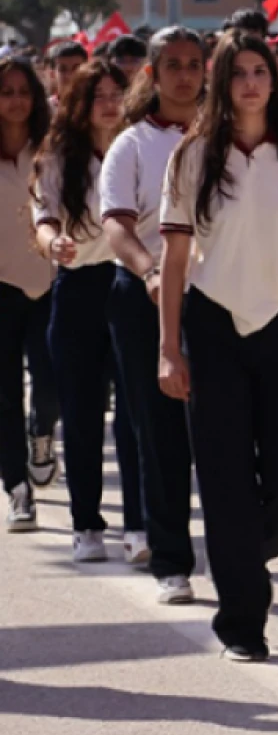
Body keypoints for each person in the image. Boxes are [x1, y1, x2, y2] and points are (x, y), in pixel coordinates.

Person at [158, 33, 278, 663]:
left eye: (262, 72)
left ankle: (239, 550)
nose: (251, 84)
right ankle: (242, 621)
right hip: (211, 328)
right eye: (239, 74)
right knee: (225, 479)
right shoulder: (192, 155)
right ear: (221, 82)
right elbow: (175, 258)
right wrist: (168, 349)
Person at [100, 28, 206, 603]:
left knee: (223, 428)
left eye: (194, 64)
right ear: (153, 73)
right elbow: (116, 224)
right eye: (173, 65)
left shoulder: (224, 138)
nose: (185, 75)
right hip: (143, 297)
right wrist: (149, 271)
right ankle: (172, 559)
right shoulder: (132, 144)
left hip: (218, 298)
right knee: (160, 431)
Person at [30, 60, 143, 563]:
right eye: (97, 94)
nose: (109, 102)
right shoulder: (59, 156)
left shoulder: (138, 147)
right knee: (80, 414)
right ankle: (86, 524)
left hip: (129, 286)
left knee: (135, 415)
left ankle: (139, 525)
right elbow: (44, 219)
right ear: (79, 103)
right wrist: (54, 245)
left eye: (116, 91)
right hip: (77, 291)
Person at [1, 59, 53, 531]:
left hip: (50, 284)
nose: (16, 100)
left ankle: (43, 434)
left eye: (23, 91)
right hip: (0, 288)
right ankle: (18, 488)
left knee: (49, 379)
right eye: (6, 91)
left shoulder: (52, 150)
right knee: (4, 392)